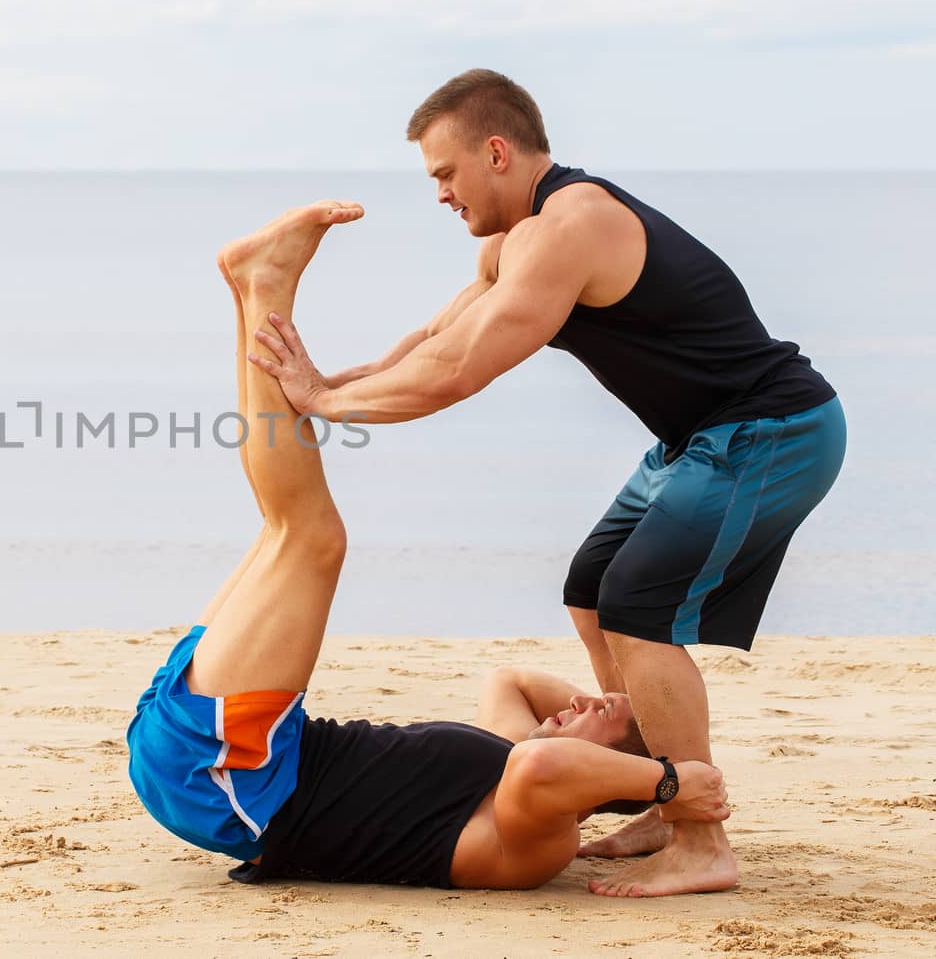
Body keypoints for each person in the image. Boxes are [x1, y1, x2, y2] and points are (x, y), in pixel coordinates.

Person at [245, 70, 846, 897]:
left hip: (772, 431)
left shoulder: (575, 224)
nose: (442, 195)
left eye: (445, 174)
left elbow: (458, 372)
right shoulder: (513, 240)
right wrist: (331, 382)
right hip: (697, 440)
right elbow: (435, 337)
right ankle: (651, 789)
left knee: (641, 608)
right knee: (592, 590)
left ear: (497, 151)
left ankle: (702, 839)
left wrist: (326, 403)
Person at [126, 201, 729, 891]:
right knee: (285, 528)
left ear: (604, 780)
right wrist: (625, 721)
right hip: (235, 748)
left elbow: (548, 769)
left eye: (599, 718)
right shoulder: (512, 750)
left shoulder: (538, 835)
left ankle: (267, 285)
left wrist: (668, 779)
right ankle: (250, 295)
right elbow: (511, 681)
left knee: (311, 536)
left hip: (234, 774)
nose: (586, 701)